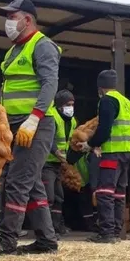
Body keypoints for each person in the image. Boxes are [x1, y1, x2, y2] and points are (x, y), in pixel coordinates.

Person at [0, 0, 60, 255]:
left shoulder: (42, 46)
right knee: (31, 183)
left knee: (17, 182)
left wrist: (33, 119)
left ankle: (8, 240)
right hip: (14, 125)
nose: (8, 22)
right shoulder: (13, 50)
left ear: (28, 19)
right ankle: (47, 241)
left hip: (35, 124)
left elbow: (50, 84)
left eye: (12, 17)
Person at [80, 69, 130, 243]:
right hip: (127, 152)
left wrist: (90, 144)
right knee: (119, 193)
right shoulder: (129, 104)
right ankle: (116, 231)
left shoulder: (107, 101)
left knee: (104, 192)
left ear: (100, 87)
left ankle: (106, 233)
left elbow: (104, 129)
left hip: (112, 153)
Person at [42, 89, 77, 235]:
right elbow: (47, 138)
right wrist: (56, 151)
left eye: (73, 104)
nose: (71, 108)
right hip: (47, 163)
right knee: (48, 197)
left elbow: (71, 141)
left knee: (59, 197)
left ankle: (56, 225)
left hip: (59, 164)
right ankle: (46, 229)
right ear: (60, 105)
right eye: (68, 104)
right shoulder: (52, 117)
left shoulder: (72, 121)